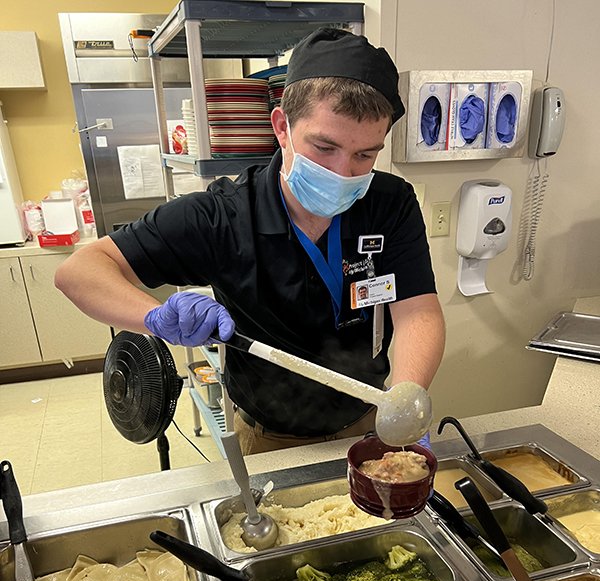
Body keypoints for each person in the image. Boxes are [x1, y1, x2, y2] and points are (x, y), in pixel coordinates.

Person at [55, 27, 445, 455]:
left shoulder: (390, 203)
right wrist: (155, 316)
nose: (343, 171)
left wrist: (405, 399)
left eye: (365, 155)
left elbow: (417, 312)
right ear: (282, 126)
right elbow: (79, 272)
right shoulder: (222, 216)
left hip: (369, 421)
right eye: (323, 147)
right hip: (268, 438)